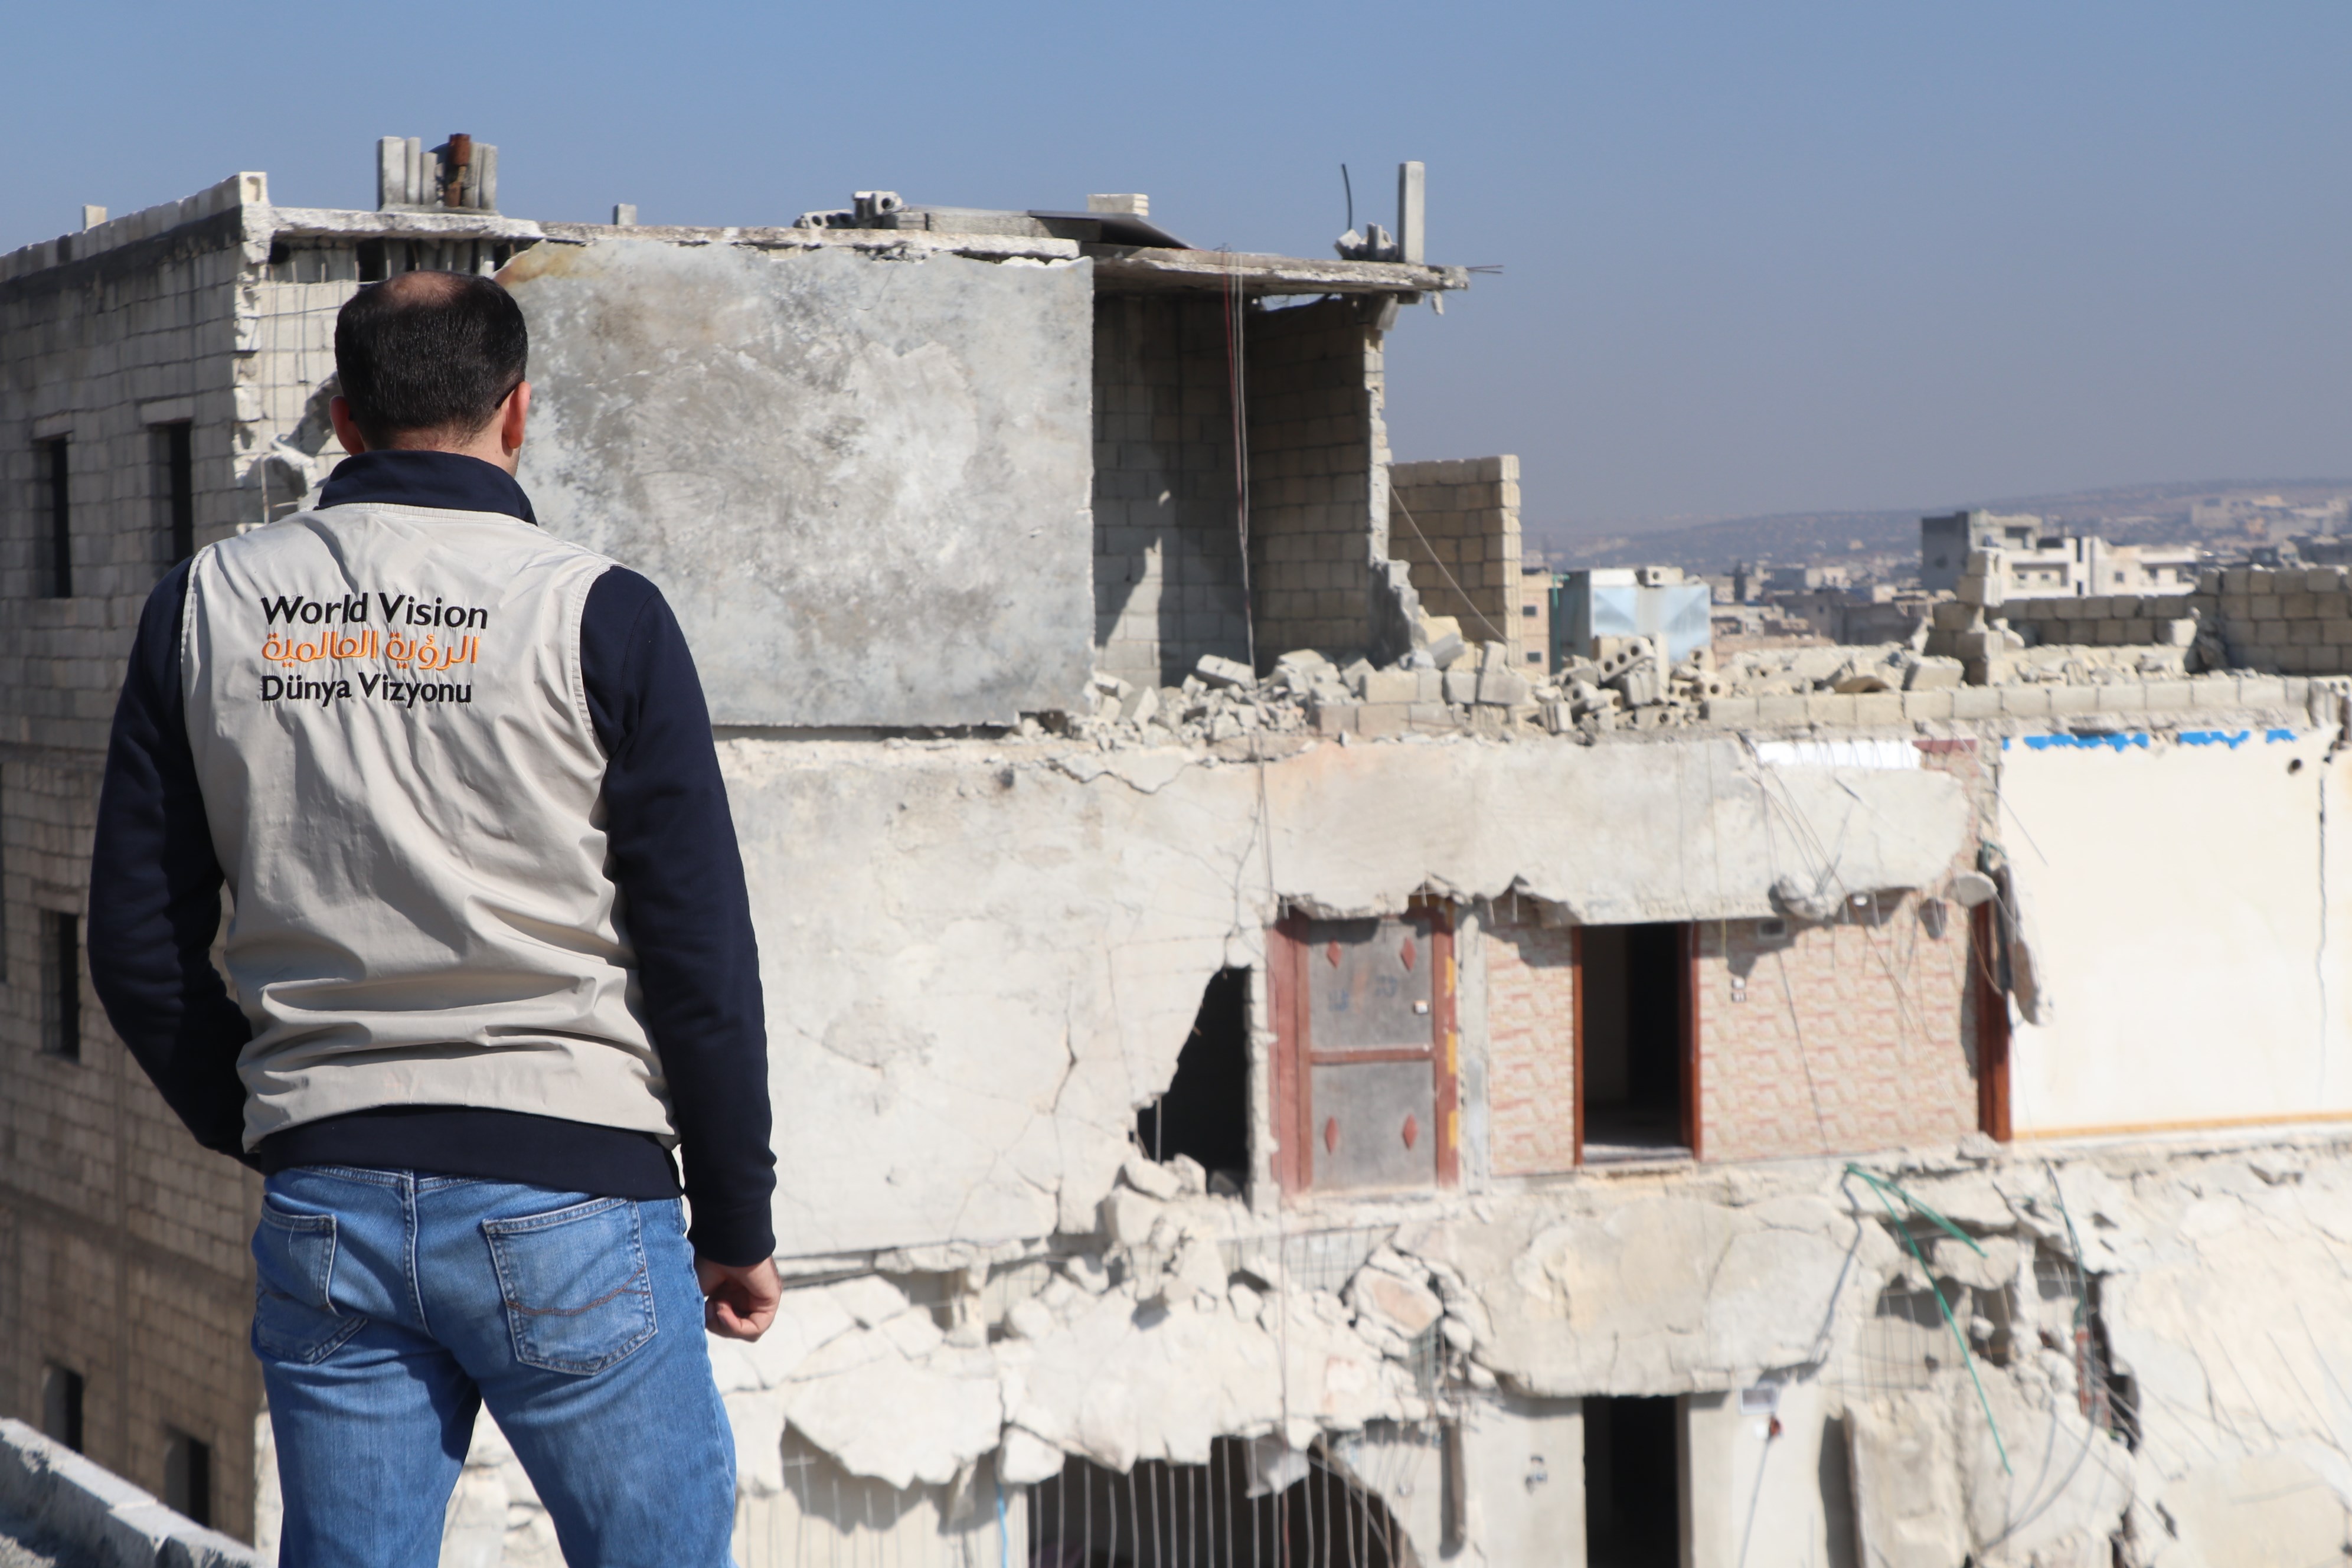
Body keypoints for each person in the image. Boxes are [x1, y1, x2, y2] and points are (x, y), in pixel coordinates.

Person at [89, 269, 779, 1568]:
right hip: (575, 1192)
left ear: (343, 417)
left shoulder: (203, 608)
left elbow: (134, 940)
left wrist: (283, 1124)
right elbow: (698, 953)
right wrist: (736, 1223)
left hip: (328, 1195)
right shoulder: (598, 612)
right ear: (518, 414)